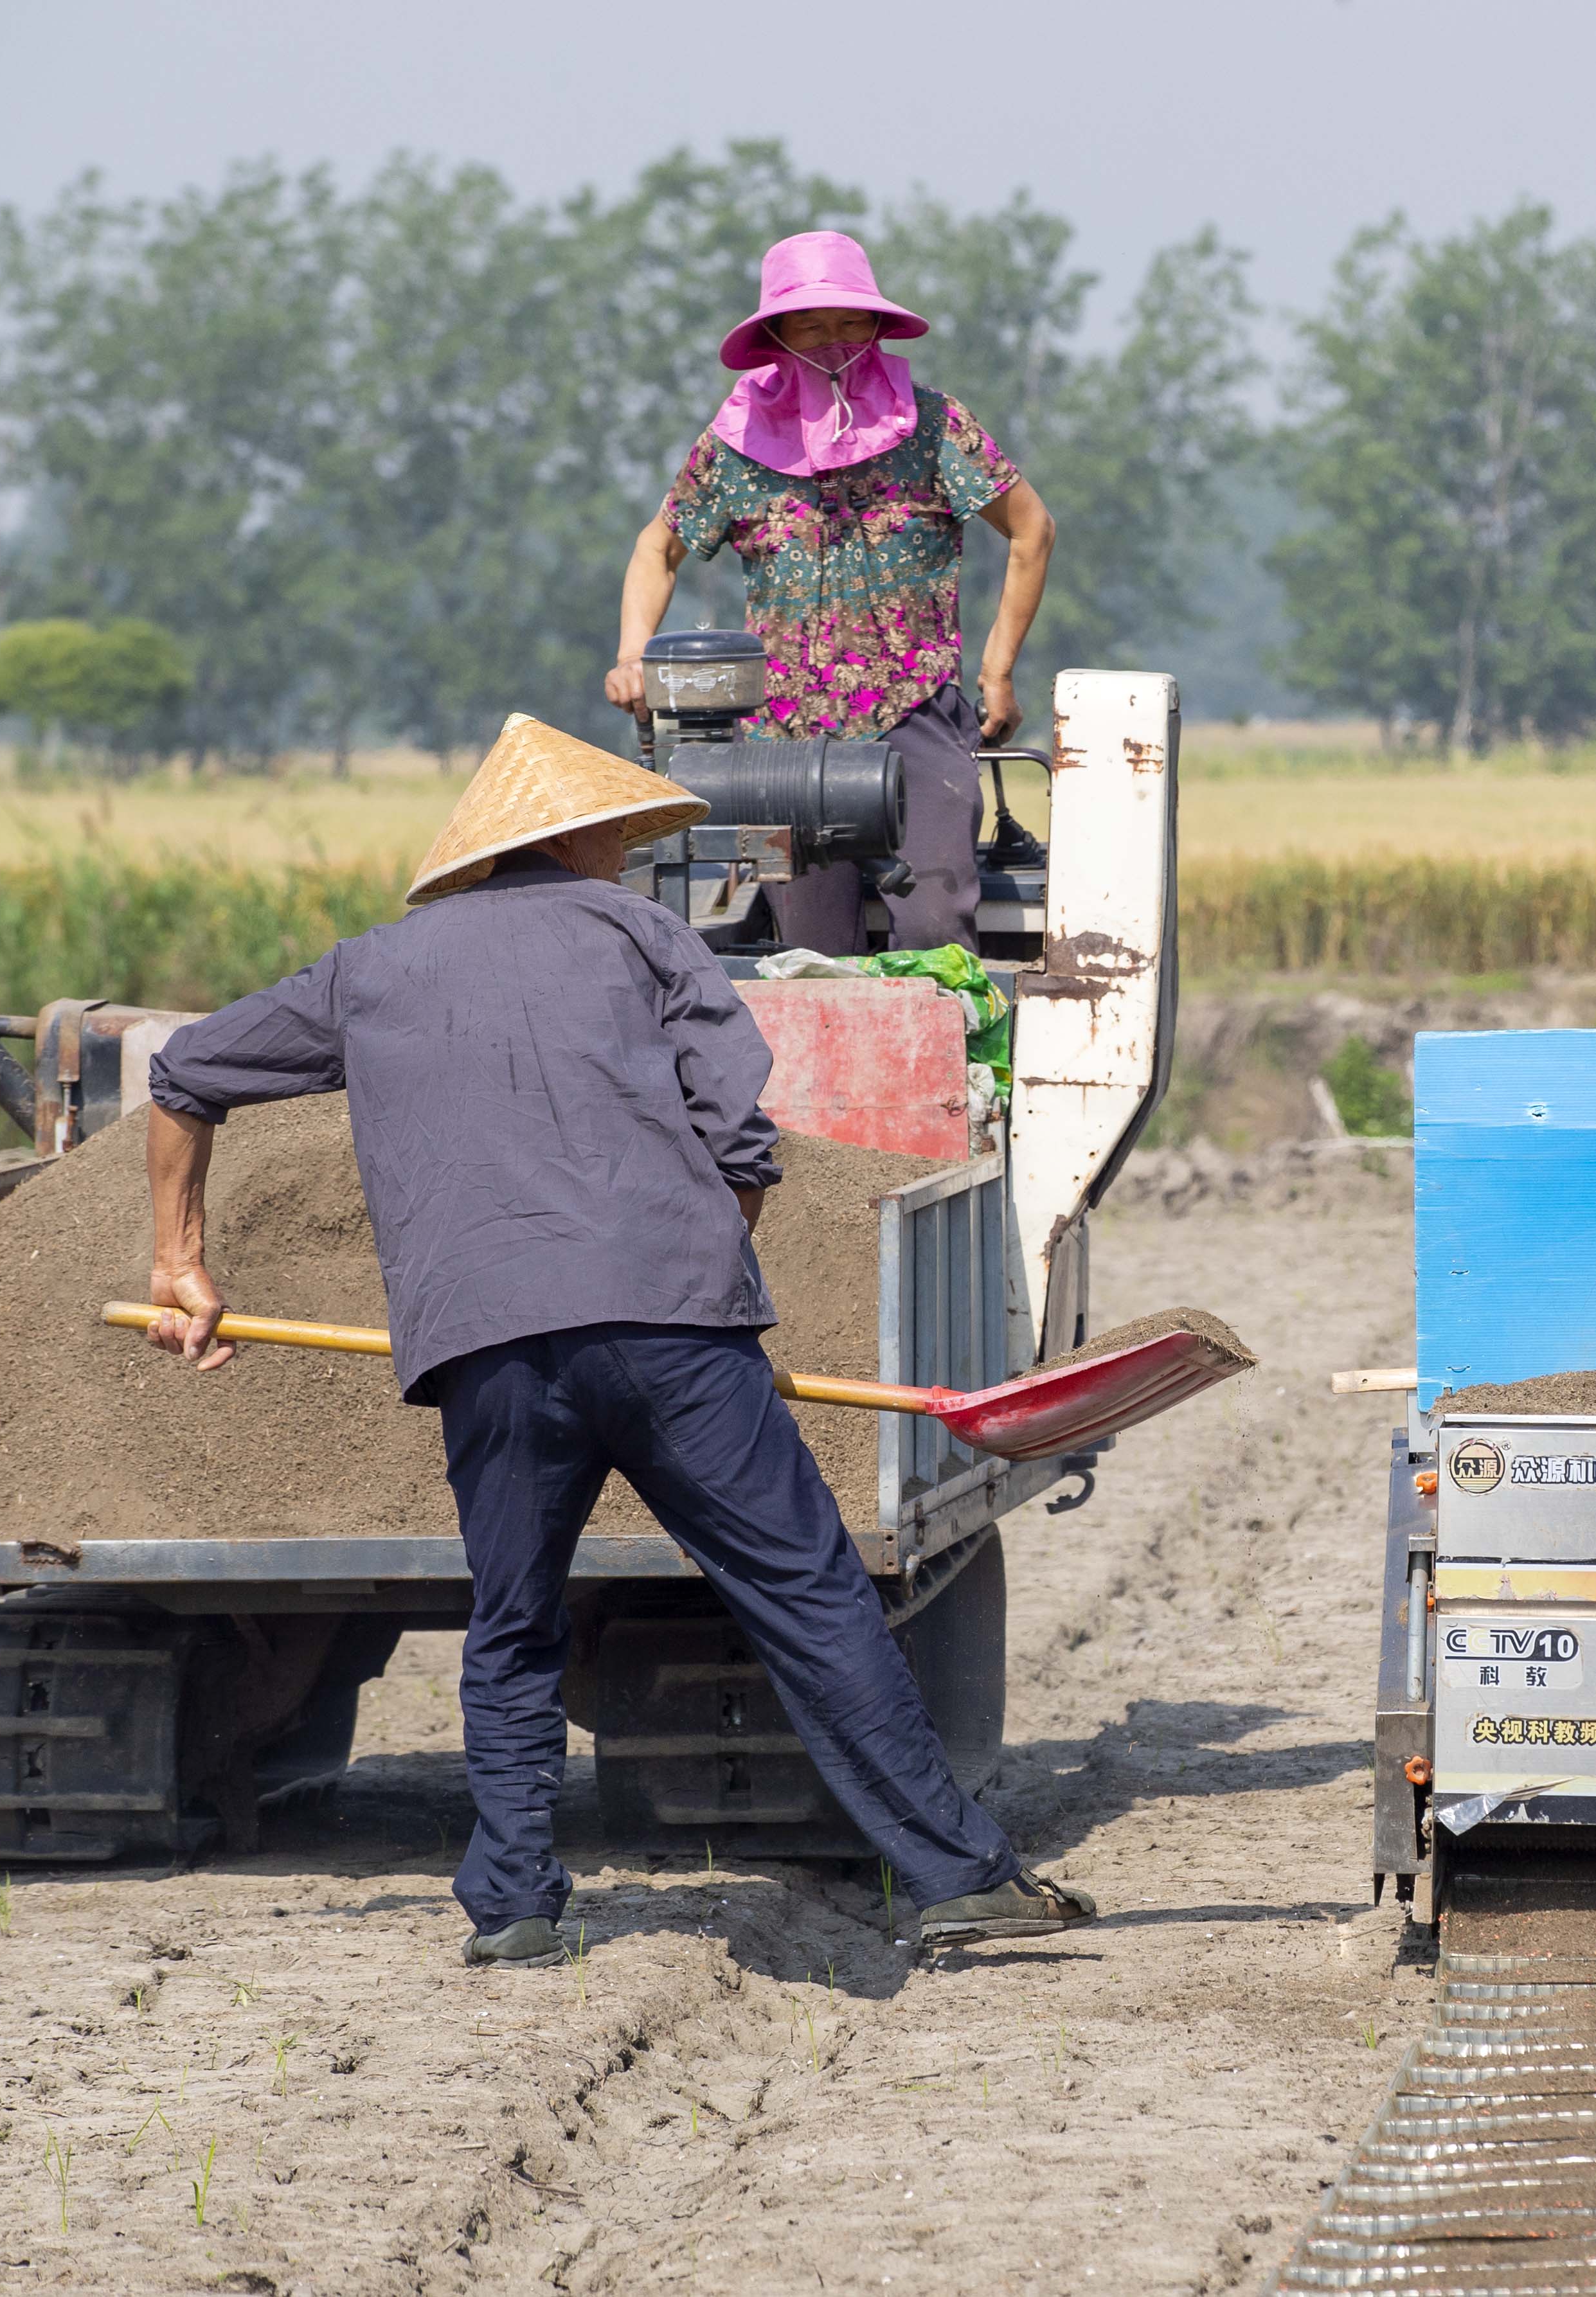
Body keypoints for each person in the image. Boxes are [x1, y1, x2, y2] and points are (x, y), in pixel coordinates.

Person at [136, 713, 1094, 1965]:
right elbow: (740, 1135)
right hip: (674, 1331)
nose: (630, 854)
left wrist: (180, 1261)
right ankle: (956, 1873)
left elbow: (182, 1073)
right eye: (621, 835)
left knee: (514, 1619)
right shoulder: (645, 935)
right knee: (806, 1594)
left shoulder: (369, 968)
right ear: (576, 838)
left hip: (484, 1342)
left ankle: (515, 1903)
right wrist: (693, 1264)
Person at [604, 229, 1055, 956]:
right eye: (810, 326)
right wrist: (633, 656)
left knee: (935, 929)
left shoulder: (934, 426)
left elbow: (1031, 528)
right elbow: (657, 548)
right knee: (811, 953)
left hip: (914, 711)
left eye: (850, 322)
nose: (833, 342)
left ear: (877, 327)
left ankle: (949, 1036)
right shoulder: (736, 444)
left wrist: (997, 672)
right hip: (779, 736)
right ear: (777, 337)